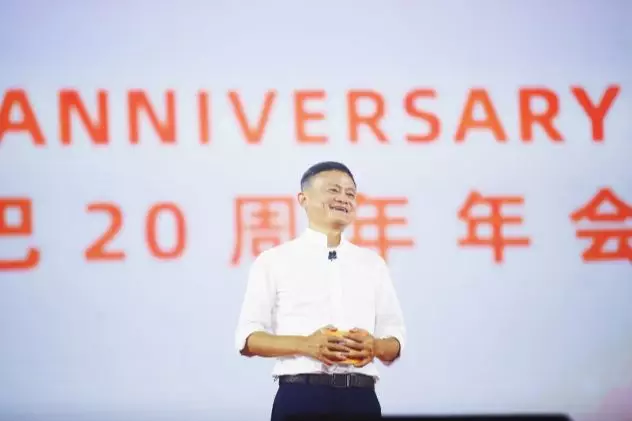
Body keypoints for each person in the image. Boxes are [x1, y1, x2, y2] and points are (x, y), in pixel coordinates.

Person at [234, 161, 406, 421]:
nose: (343, 199)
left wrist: (375, 346)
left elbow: (394, 338)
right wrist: (305, 345)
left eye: (350, 194)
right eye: (333, 190)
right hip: (301, 397)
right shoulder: (274, 260)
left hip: (360, 398)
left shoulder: (372, 264)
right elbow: (248, 339)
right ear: (303, 199)